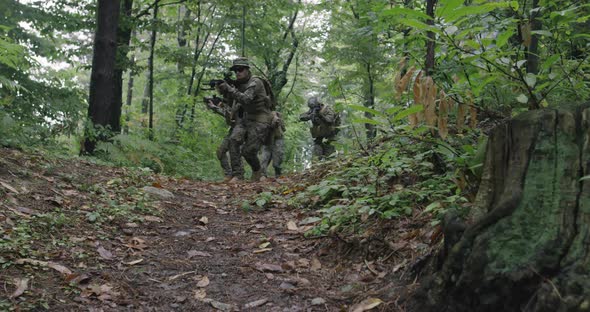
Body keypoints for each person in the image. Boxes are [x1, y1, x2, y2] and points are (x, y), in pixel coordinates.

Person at [217, 57, 273, 181]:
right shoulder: (238, 84)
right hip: (245, 119)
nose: (237, 72)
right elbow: (230, 103)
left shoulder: (255, 82)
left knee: (249, 152)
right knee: (233, 140)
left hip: (260, 119)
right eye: (235, 70)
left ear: (247, 70)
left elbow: (246, 99)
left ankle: (257, 170)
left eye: (240, 69)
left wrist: (230, 88)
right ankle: (238, 175)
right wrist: (225, 90)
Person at [205, 96, 245, 182]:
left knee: (234, 151)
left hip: (242, 129)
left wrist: (215, 107)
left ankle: (238, 175)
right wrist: (215, 107)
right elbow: (228, 116)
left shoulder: (236, 101)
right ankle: (229, 174)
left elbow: (232, 115)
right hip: (233, 129)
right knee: (220, 151)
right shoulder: (226, 104)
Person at [260, 111, 286, 178]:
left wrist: (277, 122)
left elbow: (283, 128)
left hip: (277, 138)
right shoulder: (262, 115)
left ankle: (277, 173)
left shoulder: (277, 114)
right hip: (267, 138)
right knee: (265, 157)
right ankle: (262, 174)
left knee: (277, 156)